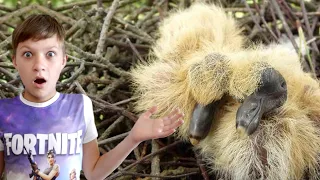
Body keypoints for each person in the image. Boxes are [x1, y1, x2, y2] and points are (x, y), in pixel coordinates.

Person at [0, 14, 184, 179]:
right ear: (15, 61)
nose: (39, 65)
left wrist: (133, 138)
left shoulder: (80, 106)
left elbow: (94, 173)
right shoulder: (3, 111)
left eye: (50, 54)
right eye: (27, 54)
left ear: (63, 60)